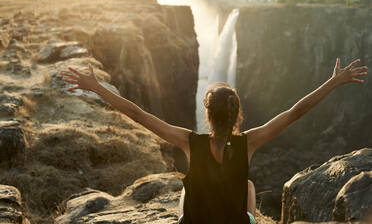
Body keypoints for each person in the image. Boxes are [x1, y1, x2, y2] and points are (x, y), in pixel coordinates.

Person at [61, 58, 367, 224]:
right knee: (247, 185)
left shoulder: (188, 141)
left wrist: (95, 86)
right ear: (236, 115)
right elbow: (296, 112)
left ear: (207, 114)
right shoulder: (248, 142)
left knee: (187, 185)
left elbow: (136, 113)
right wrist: (334, 81)